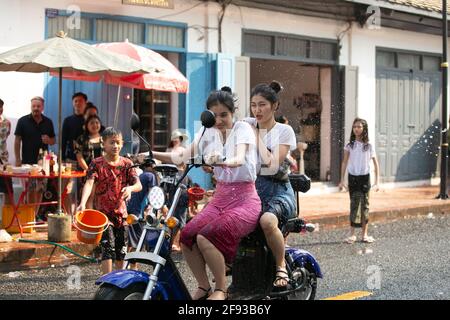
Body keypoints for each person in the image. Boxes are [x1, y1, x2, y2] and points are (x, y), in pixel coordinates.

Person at [151, 87, 261, 300]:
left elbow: (239, 158)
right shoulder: (207, 132)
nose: (219, 120)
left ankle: (221, 288)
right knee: (187, 235)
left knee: (206, 236)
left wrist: (219, 160)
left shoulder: (243, 129)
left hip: (245, 200)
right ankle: (203, 286)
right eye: (214, 115)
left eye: (224, 115)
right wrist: (150, 154)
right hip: (220, 198)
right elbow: (181, 156)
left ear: (233, 113)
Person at [244, 81, 298, 289]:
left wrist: (256, 135)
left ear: (274, 106)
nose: (257, 110)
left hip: (278, 193)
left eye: (262, 104)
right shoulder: (246, 123)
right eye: (253, 105)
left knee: (267, 221)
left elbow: (272, 164)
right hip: (251, 191)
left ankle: (280, 265)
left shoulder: (285, 131)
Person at [77, 127, 142, 275]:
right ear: (103, 144)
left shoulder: (127, 163)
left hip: (122, 214)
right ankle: (107, 282)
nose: (115, 146)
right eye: (112, 142)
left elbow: (139, 185)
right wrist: (82, 203)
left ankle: (119, 281)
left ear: (122, 143)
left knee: (121, 251)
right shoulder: (96, 163)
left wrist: (130, 189)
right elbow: (89, 183)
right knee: (108, 248)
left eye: (118, 143)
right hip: (103, 215)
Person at [339, 118, 380, 244]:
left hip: (364, 178)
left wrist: (377, 181)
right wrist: (342, 180)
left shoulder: (369, 146)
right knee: (354, 205)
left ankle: (364, 234)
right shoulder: (349, 145)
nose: (356, 129)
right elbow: (345, 162)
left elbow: (375, 163)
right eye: (355, 126)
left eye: (359, 127)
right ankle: (352, 234)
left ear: (364, 129)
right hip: (353, 178)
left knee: (365, 206)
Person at [14, 96, 56, 204]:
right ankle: (30, 215)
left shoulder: (48, 122)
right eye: (33, 106)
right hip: (27, 163)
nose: (36, 108)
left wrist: (49, 140)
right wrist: (18, 159)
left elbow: (54, 140)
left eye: (38, 106)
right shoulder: (22, 121)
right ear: (30, 107)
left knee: (40, 190)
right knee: (29, 190)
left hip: (43, 164)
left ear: (42, 107)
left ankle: (35, 214)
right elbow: (17, 140)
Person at [62, 92, 88, 215]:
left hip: (86, 160)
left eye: (80, 101)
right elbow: (63, 140)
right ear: (73, 103)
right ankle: (69, 215)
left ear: (85, 103)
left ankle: (83, 215)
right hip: (70, 160)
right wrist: (61, 159)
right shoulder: (68, 120)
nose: (78, 103)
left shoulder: (89, 120)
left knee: (85, 189)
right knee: (68, 189)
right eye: (75, 101)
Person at [165, 129, 190, 252]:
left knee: (181, 219)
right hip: (172, 186)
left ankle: (178, 243)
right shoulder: (168, 152)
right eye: (175, 138)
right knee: (173, 218)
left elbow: (185, 164)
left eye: (178, 138)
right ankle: (172, 243)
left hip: (182, 187)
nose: (176, 140)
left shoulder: (183, 151)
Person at [74, 115, 104, 208]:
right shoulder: (81, 139)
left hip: (103, 171)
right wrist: (89, 170)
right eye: (91, 123)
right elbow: (79, 157)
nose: (95, 125)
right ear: (87, 125)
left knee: (101, 197)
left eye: (97, 122)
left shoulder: (105, 138)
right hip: (88, 172)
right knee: (89, 197)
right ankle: (90, 220)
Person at [0, 98, 11, 164]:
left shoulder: (7, 123)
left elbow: (5, 137)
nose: (0, 109)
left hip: (3, 158)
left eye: (1, 107)